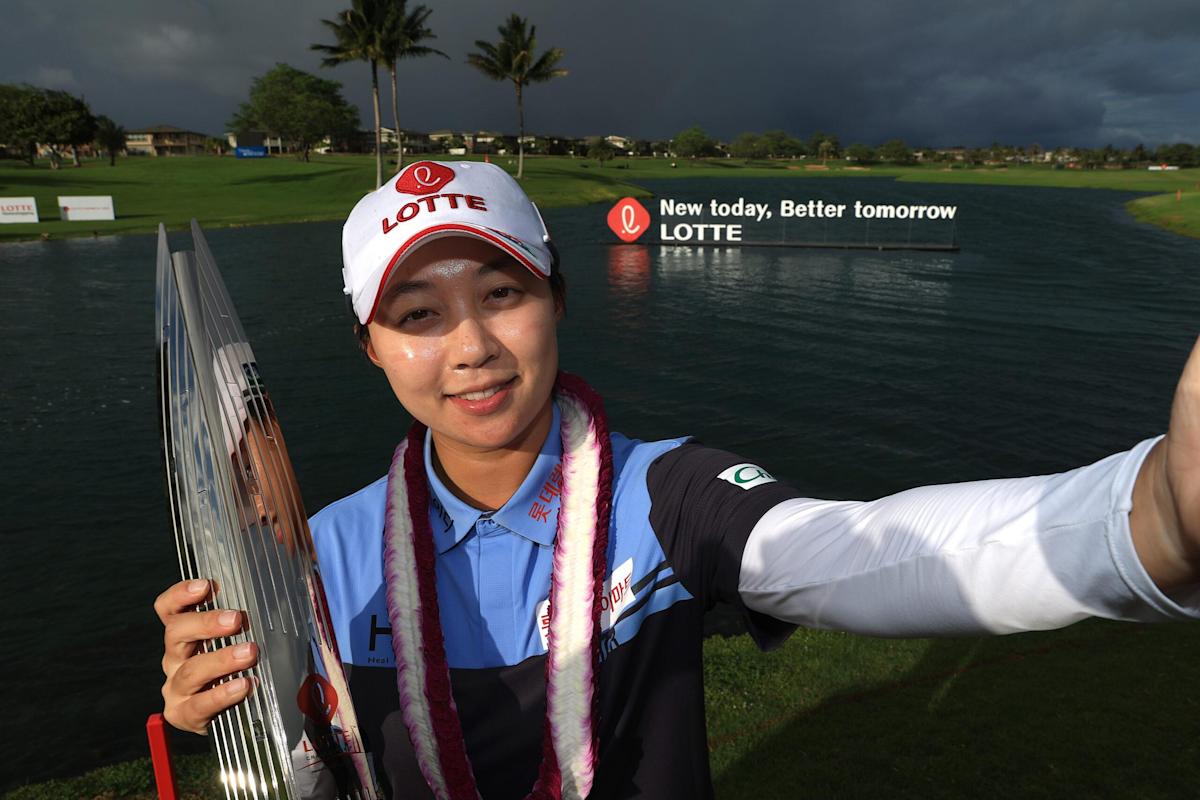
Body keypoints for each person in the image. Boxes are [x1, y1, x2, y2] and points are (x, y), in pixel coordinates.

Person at [155, 160, 1200, 800]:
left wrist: (1151, 514)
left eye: (502, 290)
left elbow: (870, 550)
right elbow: (318, 756)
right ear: (370, 345)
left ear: (558, 298)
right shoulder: (326, 555)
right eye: (418, 314)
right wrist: (223, 719)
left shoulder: (671, 495)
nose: (470, 345)